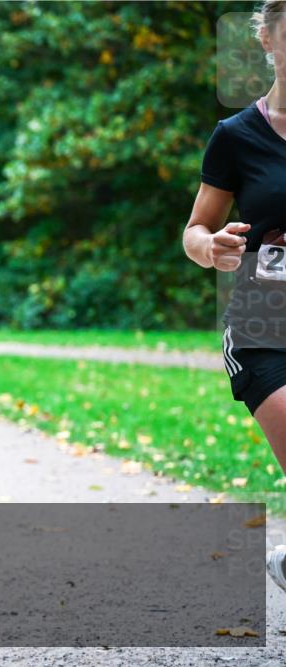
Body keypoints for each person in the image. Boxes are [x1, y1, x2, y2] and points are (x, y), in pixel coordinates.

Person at [182, 0, 286, 589]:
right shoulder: (237, 136)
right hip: (263, 328)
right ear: (268, 40)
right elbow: (196, 229)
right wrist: (211, 246)